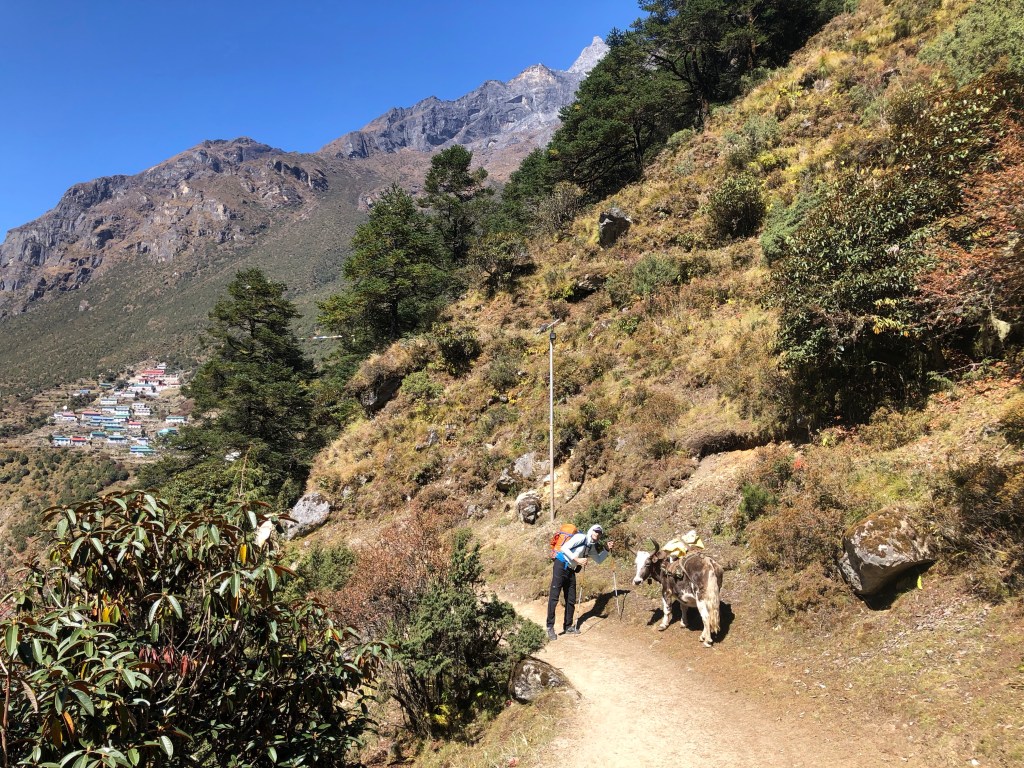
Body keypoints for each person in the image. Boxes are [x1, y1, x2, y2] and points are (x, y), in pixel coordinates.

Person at [546, 524, 613, 640]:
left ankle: (568, 626)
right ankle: (550, 627)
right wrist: (578, 559)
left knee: (571, 599)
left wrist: (606, 549)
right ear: (591, 531)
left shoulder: (590, 546)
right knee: (554, 597)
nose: (597, 534)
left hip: (571, 570)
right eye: (596, 531)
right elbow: (564, 548)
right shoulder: (581, 537)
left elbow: (599, 560)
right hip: (560, 565)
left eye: (600, 533)